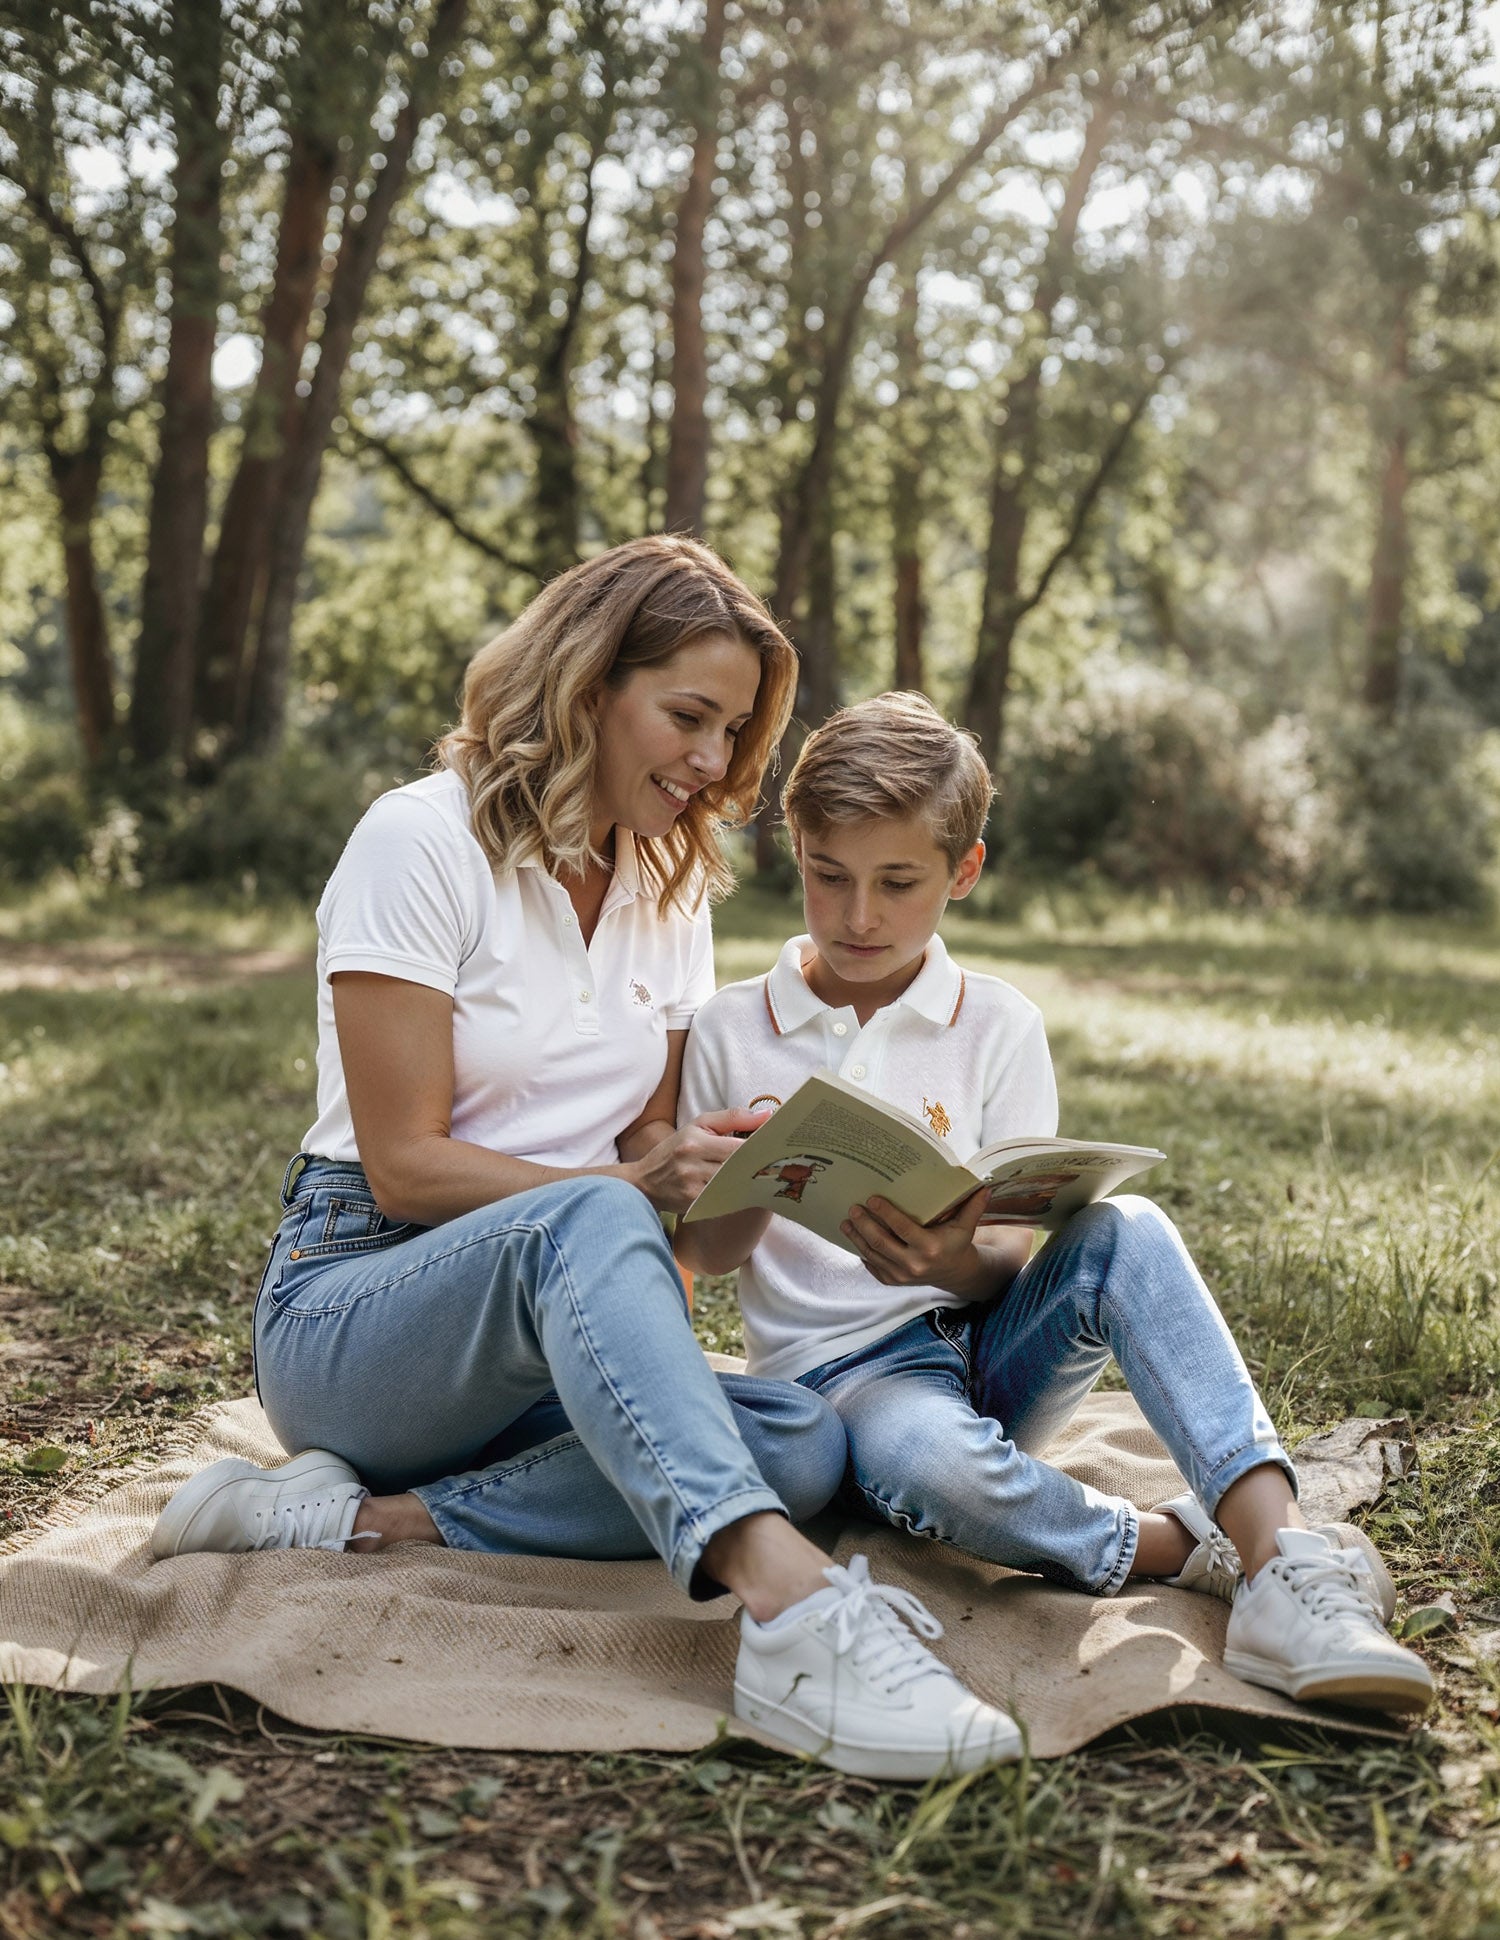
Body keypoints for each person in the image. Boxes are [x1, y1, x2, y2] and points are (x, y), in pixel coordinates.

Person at [148, 540, 1023, 1780]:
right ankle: (792, 1610)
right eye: (689, 717)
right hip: (361, 1308)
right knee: (595, 1222)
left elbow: (646, 1166)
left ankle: (357, 1519)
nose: (715, 763)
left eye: (733, 732)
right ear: (586, 683)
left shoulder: (669, 885)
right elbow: (401, 1165)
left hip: (557, 1313)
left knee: (803, 1441)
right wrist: (625, 1195)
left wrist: (748, 1162)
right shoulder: (419, 841)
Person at [676, 691, 1433, 1716]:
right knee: (928, 1458)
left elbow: (1005, 1250)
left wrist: (947, 1263)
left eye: (899, 882)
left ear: (964, 871)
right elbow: (713, 1256)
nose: (860, 915)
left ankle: (1287, 1562)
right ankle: (1180, 1544)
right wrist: (748, 1173)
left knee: (1129, 1228)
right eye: (827, 875)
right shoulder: (730, 1025)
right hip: (850, 1388)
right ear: (793, 851)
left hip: (992, 1350)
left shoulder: (998, 1022)